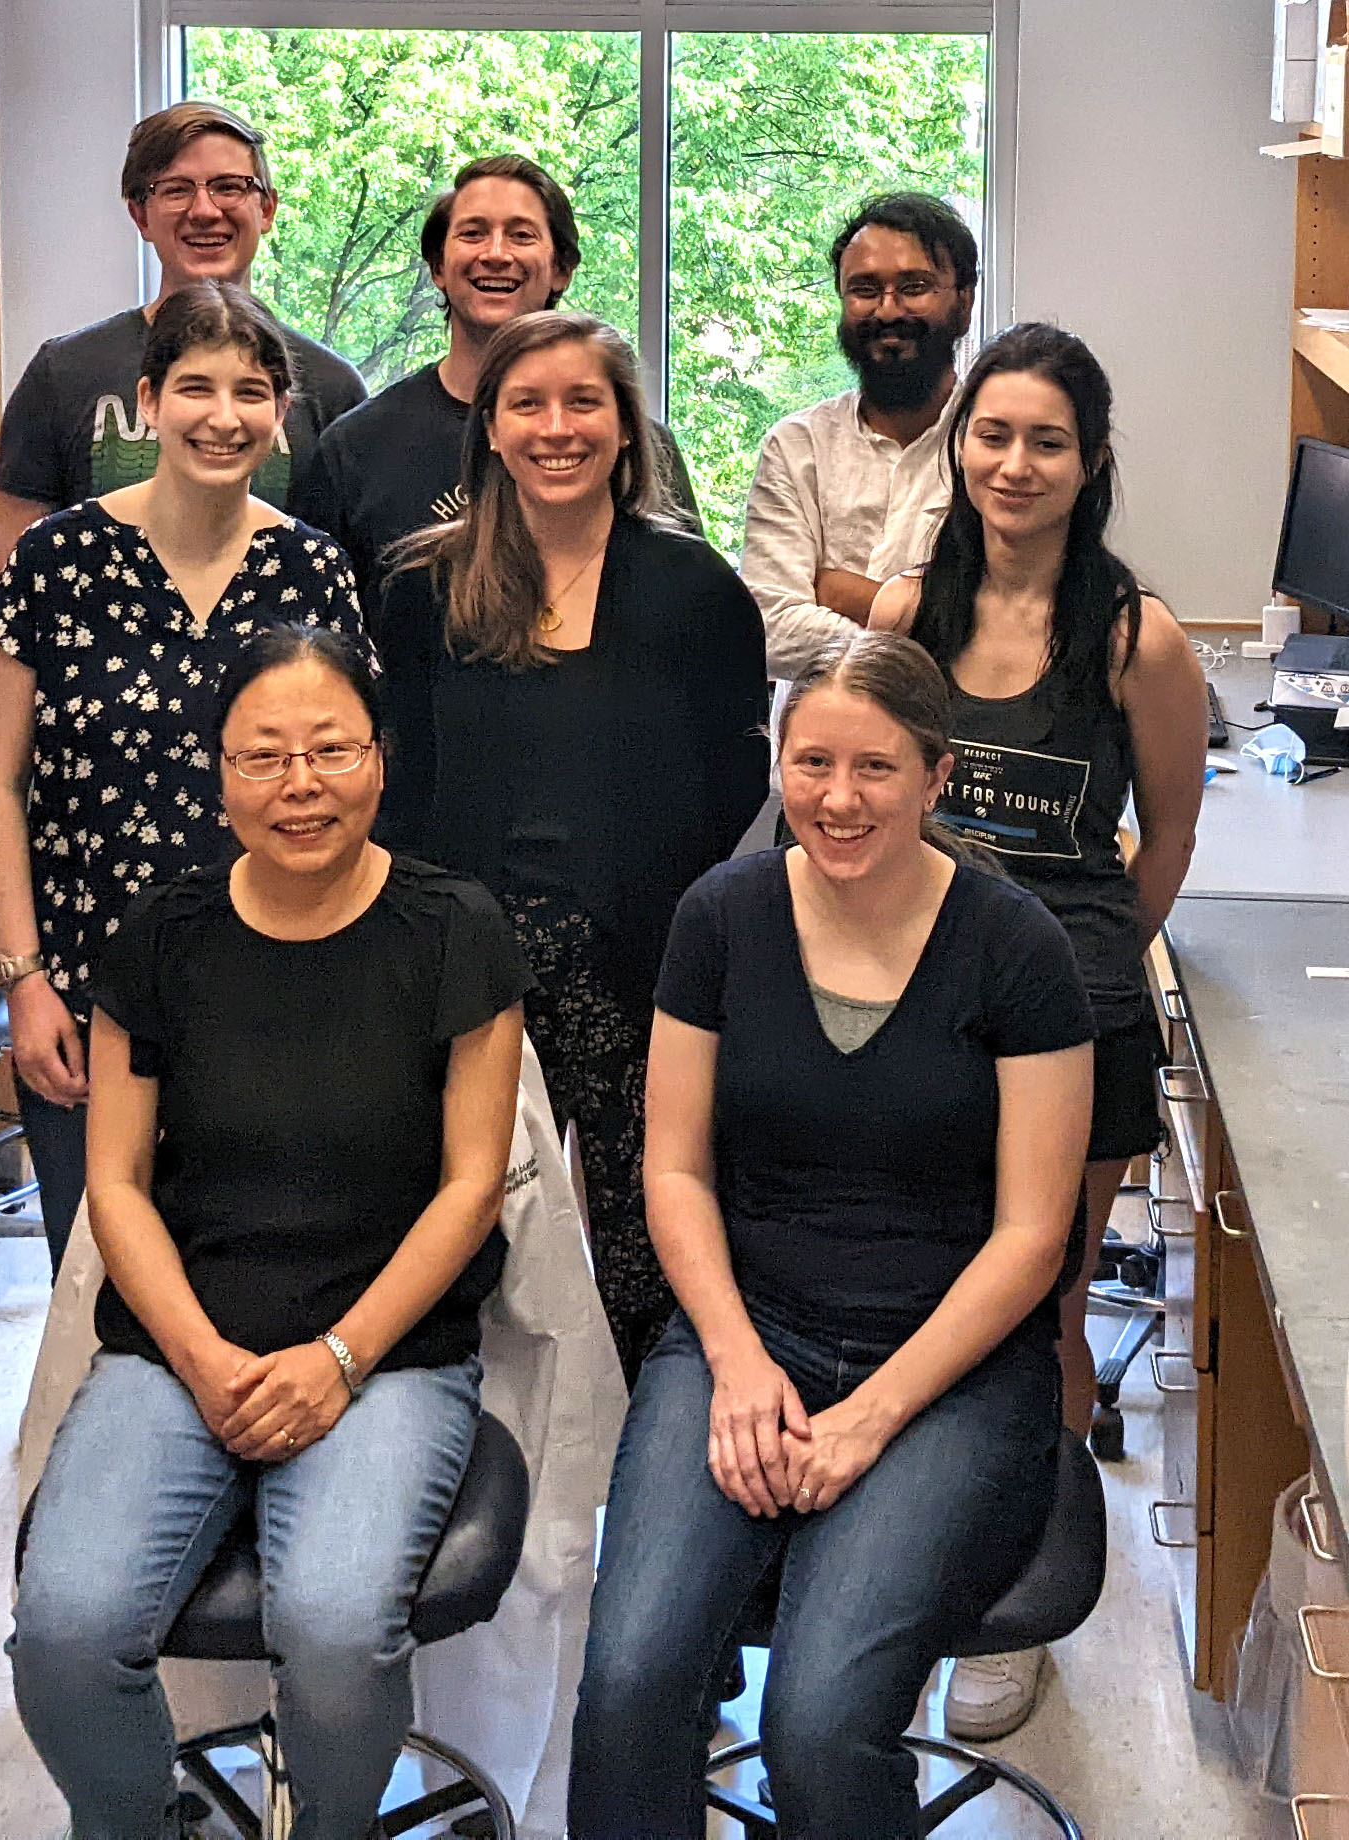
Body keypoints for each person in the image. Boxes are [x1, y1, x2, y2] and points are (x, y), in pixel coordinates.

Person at [568, 630, 1095, 1840]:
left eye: (873, 769)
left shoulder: (1018, 950)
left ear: (935, 775)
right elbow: (675, 1169)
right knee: (630, 1688)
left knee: (817, 1720)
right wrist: (737, 1358)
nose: (837, 799)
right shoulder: (721, 916)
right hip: (741, 1336)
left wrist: (869, 1413)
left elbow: (1029, 1237)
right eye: (810, 764)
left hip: (952, 1372)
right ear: (776, 760)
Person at [10, 624, 532, 1840]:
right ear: (221, 773)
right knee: (68, 1636)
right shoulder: (160, 936)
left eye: (330, 749)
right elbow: (120, 1185)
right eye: (264, 757)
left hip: (386, 1355)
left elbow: (470, 1190)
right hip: (179, 1348)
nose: (300, 785)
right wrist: (199, 1357)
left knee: (338, 1634)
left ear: (380, 760)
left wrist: (337, 1358)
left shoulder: (455, 929)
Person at [870, 320, 1206, 1738]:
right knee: (902, 1285)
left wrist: (1083, 973)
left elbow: (1168, 836)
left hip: (1070, 1018)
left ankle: (1010, 1598)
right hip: (901, 998)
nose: (1015, 464)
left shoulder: (1138, 639)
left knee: (1047, 1307)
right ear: (963, 449)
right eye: (994, 436)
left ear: (1093, 463)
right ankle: (894, 1565)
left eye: (1047, 441)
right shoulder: (906, 624)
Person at [380, 309, 767, 1386]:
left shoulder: (696, 591)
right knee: (475, 1233)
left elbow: (734, 777)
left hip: (642, 968)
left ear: (627, 427)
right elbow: (396, 786)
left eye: (583, 402)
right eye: (528, 404)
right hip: (464, 968)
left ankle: (647, 1473)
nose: (558, 428)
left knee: (648, 1246)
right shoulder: (421, 591)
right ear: (490, 430)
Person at [0, 100, 365, 846]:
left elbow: (345, 613)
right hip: (96, 784)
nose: (206, 209)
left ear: (266, 209)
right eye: (177, 189)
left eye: (230, 188)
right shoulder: (65, 374)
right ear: (140, 214)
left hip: (273, 789)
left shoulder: (324, 387)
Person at [0, 283, 364, 1279]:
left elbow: (343, 794)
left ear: (281, 415)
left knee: (257, 1284)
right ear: (147, 403)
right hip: (84, 993)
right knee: (92, 1292)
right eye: (195, 387)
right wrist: (23, 983)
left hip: (271, 994)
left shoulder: (311, 572)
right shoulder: (55, 560)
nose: (222, 416)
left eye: (250, 391)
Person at [294, 153, 698, 615]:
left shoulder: (629, 447)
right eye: (473, 233)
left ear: (561, 268)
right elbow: (319, 639)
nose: (496, 254)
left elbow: (686, 609)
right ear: (438, 268)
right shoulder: (355, 448)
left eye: (521, 235)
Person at [740, 191, 975, 736]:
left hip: (963, 759)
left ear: (963, 302)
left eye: (914, 286)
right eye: (864, 290)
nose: (888, 310)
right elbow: (769, 628)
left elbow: (1012, 633)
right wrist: (932, 635)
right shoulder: (797, 447)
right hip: (816, 770)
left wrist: (846, 594)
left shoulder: (993, 448)